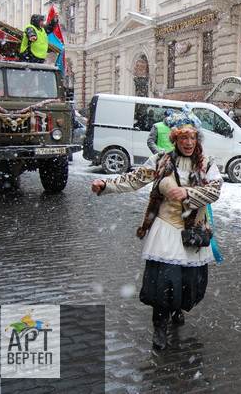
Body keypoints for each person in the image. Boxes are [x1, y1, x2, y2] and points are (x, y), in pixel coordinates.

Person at [90, 107, 223, 350]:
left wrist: (188, 192)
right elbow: (134, 178)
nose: (188, 142)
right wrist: (105, 184)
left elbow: (215, 190)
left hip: (194, 228)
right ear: (175, 139)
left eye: (192, 137)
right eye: (183, 137)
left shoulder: (206, 162)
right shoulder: (161, 159)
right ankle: (159, 327)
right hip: (166, 226)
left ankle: (177, 309)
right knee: (164, 281)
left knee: (187, 281)